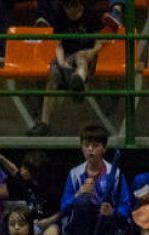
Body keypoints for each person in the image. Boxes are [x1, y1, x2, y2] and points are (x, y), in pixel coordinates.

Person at [60, 123, 129, 235]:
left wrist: (113, 212)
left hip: (106, 224)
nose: (90, 150)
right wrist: (77, 194)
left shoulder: (116, 174)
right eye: (86, 145)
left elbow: (125, 206)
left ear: (104, 148)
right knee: (82, 201)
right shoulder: (74, 174)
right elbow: (64, 206)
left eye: (96, 146)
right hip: (81, 225)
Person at [26, 0, 104, 138]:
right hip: (66, 56)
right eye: (67, 8)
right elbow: (59, 45)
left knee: (81, 58)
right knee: (52, 76)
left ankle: (78, 81)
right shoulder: (60, 15)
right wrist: (61, 62)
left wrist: (90, 53)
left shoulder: (91, 15)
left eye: (73, 8)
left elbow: (99, 44)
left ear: (80, 5)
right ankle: (44, 123)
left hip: (86, 55)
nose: (70, 12)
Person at [7, 151, 63, 235]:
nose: (21, 169)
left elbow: (61, 212)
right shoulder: (25, 182)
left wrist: (45, 222)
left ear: (35, 173)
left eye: (24, 168)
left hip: (50, 223)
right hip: (32, 223)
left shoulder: (52, 189)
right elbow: (12, 168)